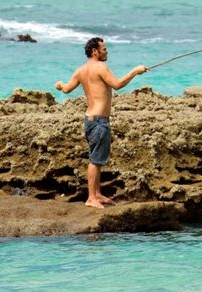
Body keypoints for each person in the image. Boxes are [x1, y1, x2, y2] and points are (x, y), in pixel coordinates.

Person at [54, 37, 148, 209]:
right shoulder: (100, 67)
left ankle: (97, 193)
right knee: (95, 161)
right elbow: (118, 84)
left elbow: (67, 89)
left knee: (97, 158)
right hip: (99, 121)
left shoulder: (80, 70)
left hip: (89, 120)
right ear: (94, 51)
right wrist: (135, 71)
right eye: (104, 49)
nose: (107, 51)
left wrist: (60, 85)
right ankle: (91, 198)